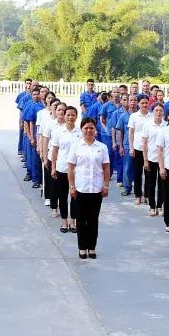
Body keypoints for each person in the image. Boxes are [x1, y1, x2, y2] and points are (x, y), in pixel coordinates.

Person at [68, 117, 110, 259]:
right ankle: (82, 247)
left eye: (91, 128)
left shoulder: (102, 147)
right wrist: (72, 187)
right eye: (86, 128)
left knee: (93, 220)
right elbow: (70, 167)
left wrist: (105, 185)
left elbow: (106, 167)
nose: (88, 130)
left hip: (96, 189)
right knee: (81, 220)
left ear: (96, 130)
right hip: (81, 188)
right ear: (81, 129)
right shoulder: (76, 146)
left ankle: (91, 247)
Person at [50, 106, 82, 233]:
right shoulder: (59, 131)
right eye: (68, 114)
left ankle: (73, 221)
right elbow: (55, 150)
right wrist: (53, 167)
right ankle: (64, 221)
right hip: (62, 168)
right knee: (62, 196)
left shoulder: (80, 132)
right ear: (64, 115)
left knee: (75, 196)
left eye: (73, 115)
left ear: (76, 116)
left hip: (76, 170)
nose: (70, 117)